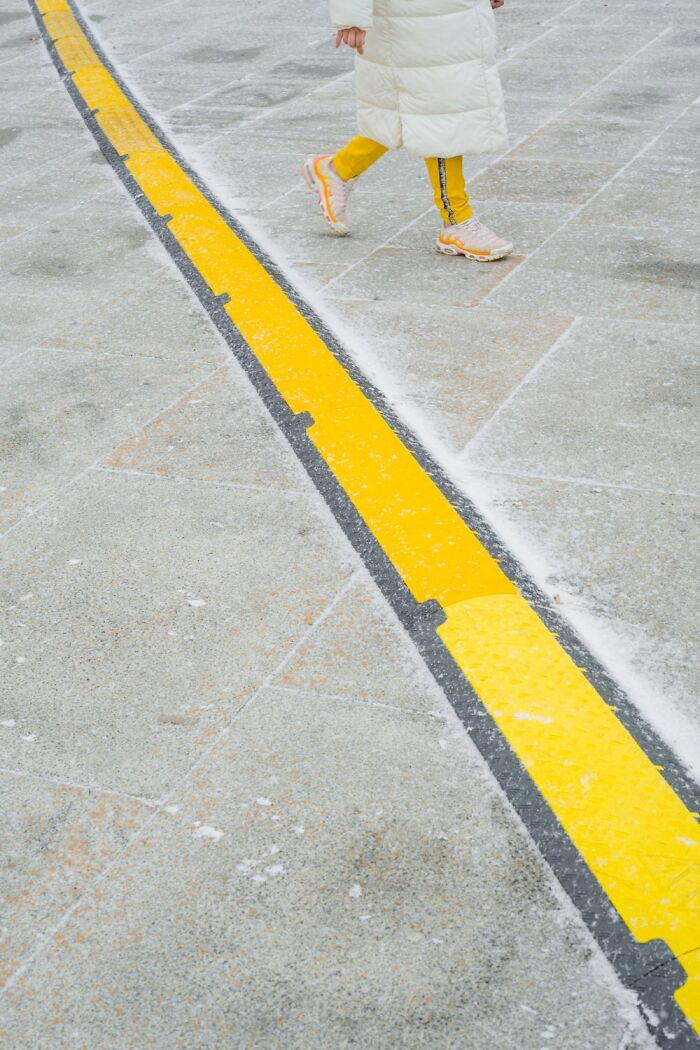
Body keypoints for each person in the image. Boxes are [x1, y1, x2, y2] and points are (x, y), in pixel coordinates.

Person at [303, 0, 512, 262]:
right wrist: (350, 16)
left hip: (455, 17)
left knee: (425, 109)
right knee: (436, 113)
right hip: (408, 19)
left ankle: (339, 169)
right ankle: (457, 219)